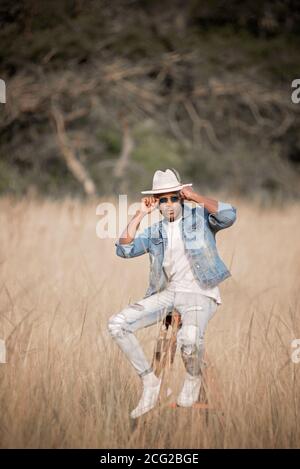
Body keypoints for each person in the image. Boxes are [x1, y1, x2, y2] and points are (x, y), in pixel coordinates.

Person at [108, 168, 237, 418]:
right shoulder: (156, 232)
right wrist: (139, 214)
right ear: (156, 203)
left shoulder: (199, 217)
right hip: (170, 295)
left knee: (189, 339)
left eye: (173, 197)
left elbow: (229, 215)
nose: (169, 204)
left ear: (180, 196)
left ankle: (192, 378)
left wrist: (195, 197)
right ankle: (150, 382)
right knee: (117, 324)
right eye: (162, 199)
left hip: (201, 293)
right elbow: (124, 250)